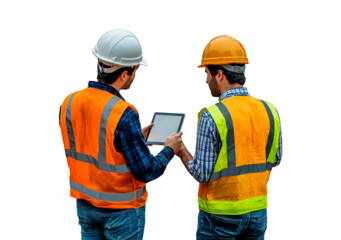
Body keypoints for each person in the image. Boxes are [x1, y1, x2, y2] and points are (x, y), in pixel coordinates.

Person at [57, 28, 184, 240]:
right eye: (136, 71)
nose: (136, 75)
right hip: (122, 211)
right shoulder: (124, 113)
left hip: (84, 207)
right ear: (125, 73)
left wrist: (133, 141)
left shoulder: (68, 102)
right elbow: (148, 171)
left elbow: (92, 143)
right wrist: (169, 149)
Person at [177, 34, 284, 239]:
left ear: (219, 74)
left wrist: (182, 151)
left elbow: (201, 174)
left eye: (206, 73)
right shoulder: (271, 110)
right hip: (259, 212)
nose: (205, 79)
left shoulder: (212, 115)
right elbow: (277, 159)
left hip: (220, 215)